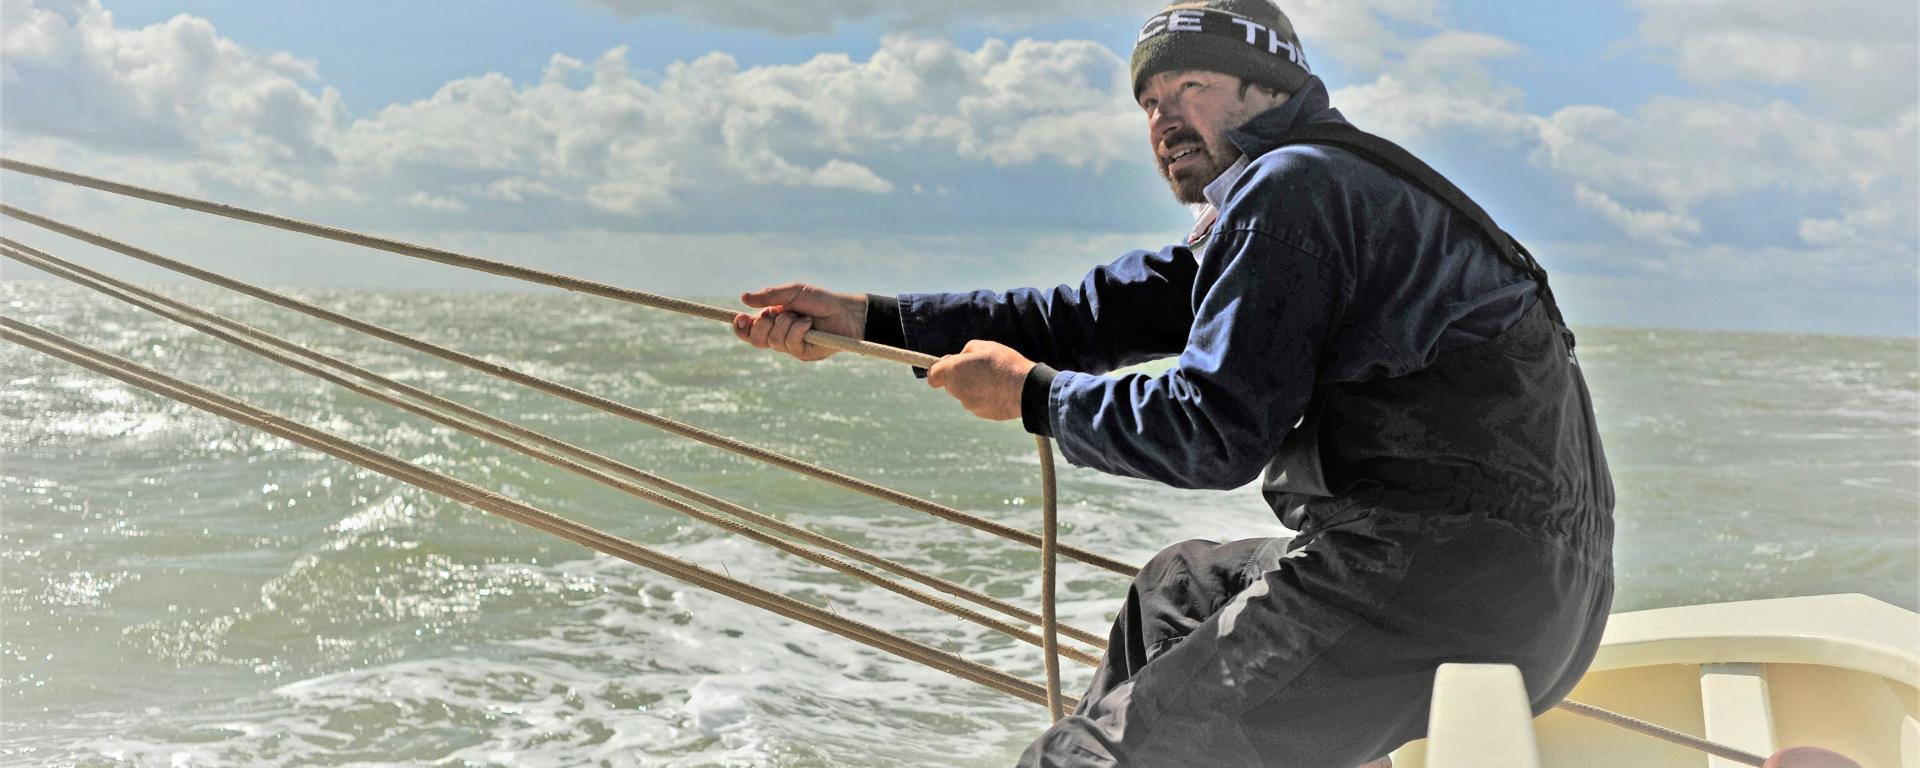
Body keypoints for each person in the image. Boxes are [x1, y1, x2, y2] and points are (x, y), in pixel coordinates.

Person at [731, 1, 1614, 765]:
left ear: (1271, 88)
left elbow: (1216, 430)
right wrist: (872, 321)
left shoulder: (1294, 191)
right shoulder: (1329, 189)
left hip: (1434, 580)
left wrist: (1035, 399)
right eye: (1150, 102)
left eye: (1191, 86)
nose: (1164, 120)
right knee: (1180, 590)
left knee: (1080, 761)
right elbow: (1081, 317)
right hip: (1541, 597)